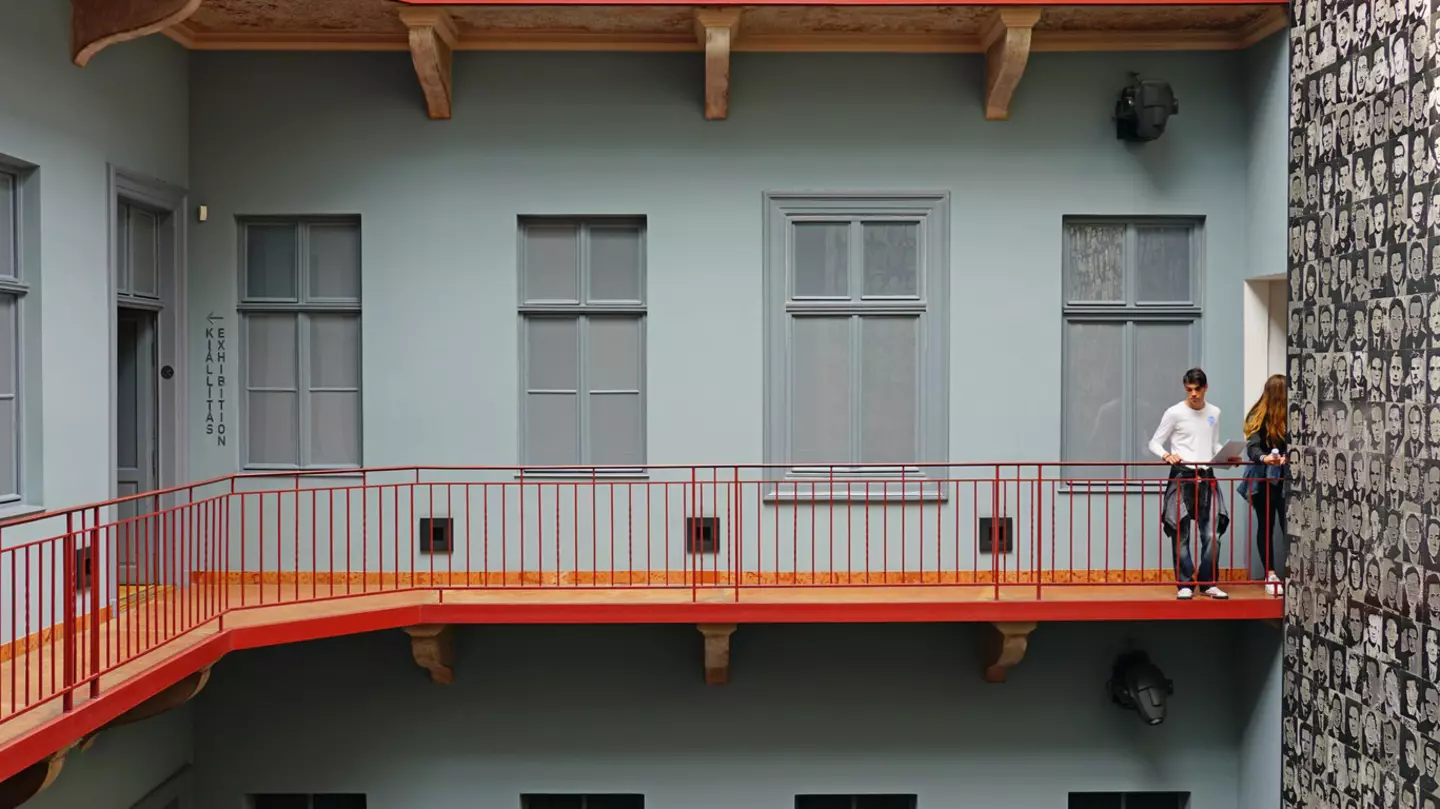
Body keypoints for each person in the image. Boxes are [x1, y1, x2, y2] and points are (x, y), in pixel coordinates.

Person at [1148, 368, 1235, 600]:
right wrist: (1167, 456)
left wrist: (1227, 456)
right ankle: (1184, 583)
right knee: (1180, 532)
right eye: (1189, 390)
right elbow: (1155, 443)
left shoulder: (1214, 412)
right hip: (1181, 474)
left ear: (1205, 388)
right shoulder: (1174, 413)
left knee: (1212, 534)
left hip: (1207, 475)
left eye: (1197, 389)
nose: (1193, 394)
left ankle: (1208, 583)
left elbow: (1213, 445)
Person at [1241, 374, 1290, 597]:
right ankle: (1271, 574)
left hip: (1282, 478)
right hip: (1264, 479)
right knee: (1268, 524)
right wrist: (1266, 458)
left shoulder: (1290, 415)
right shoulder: (1259, 416)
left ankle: (1278, 573)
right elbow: (1253, 448)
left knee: (1280, 526)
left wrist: (1287, 457)